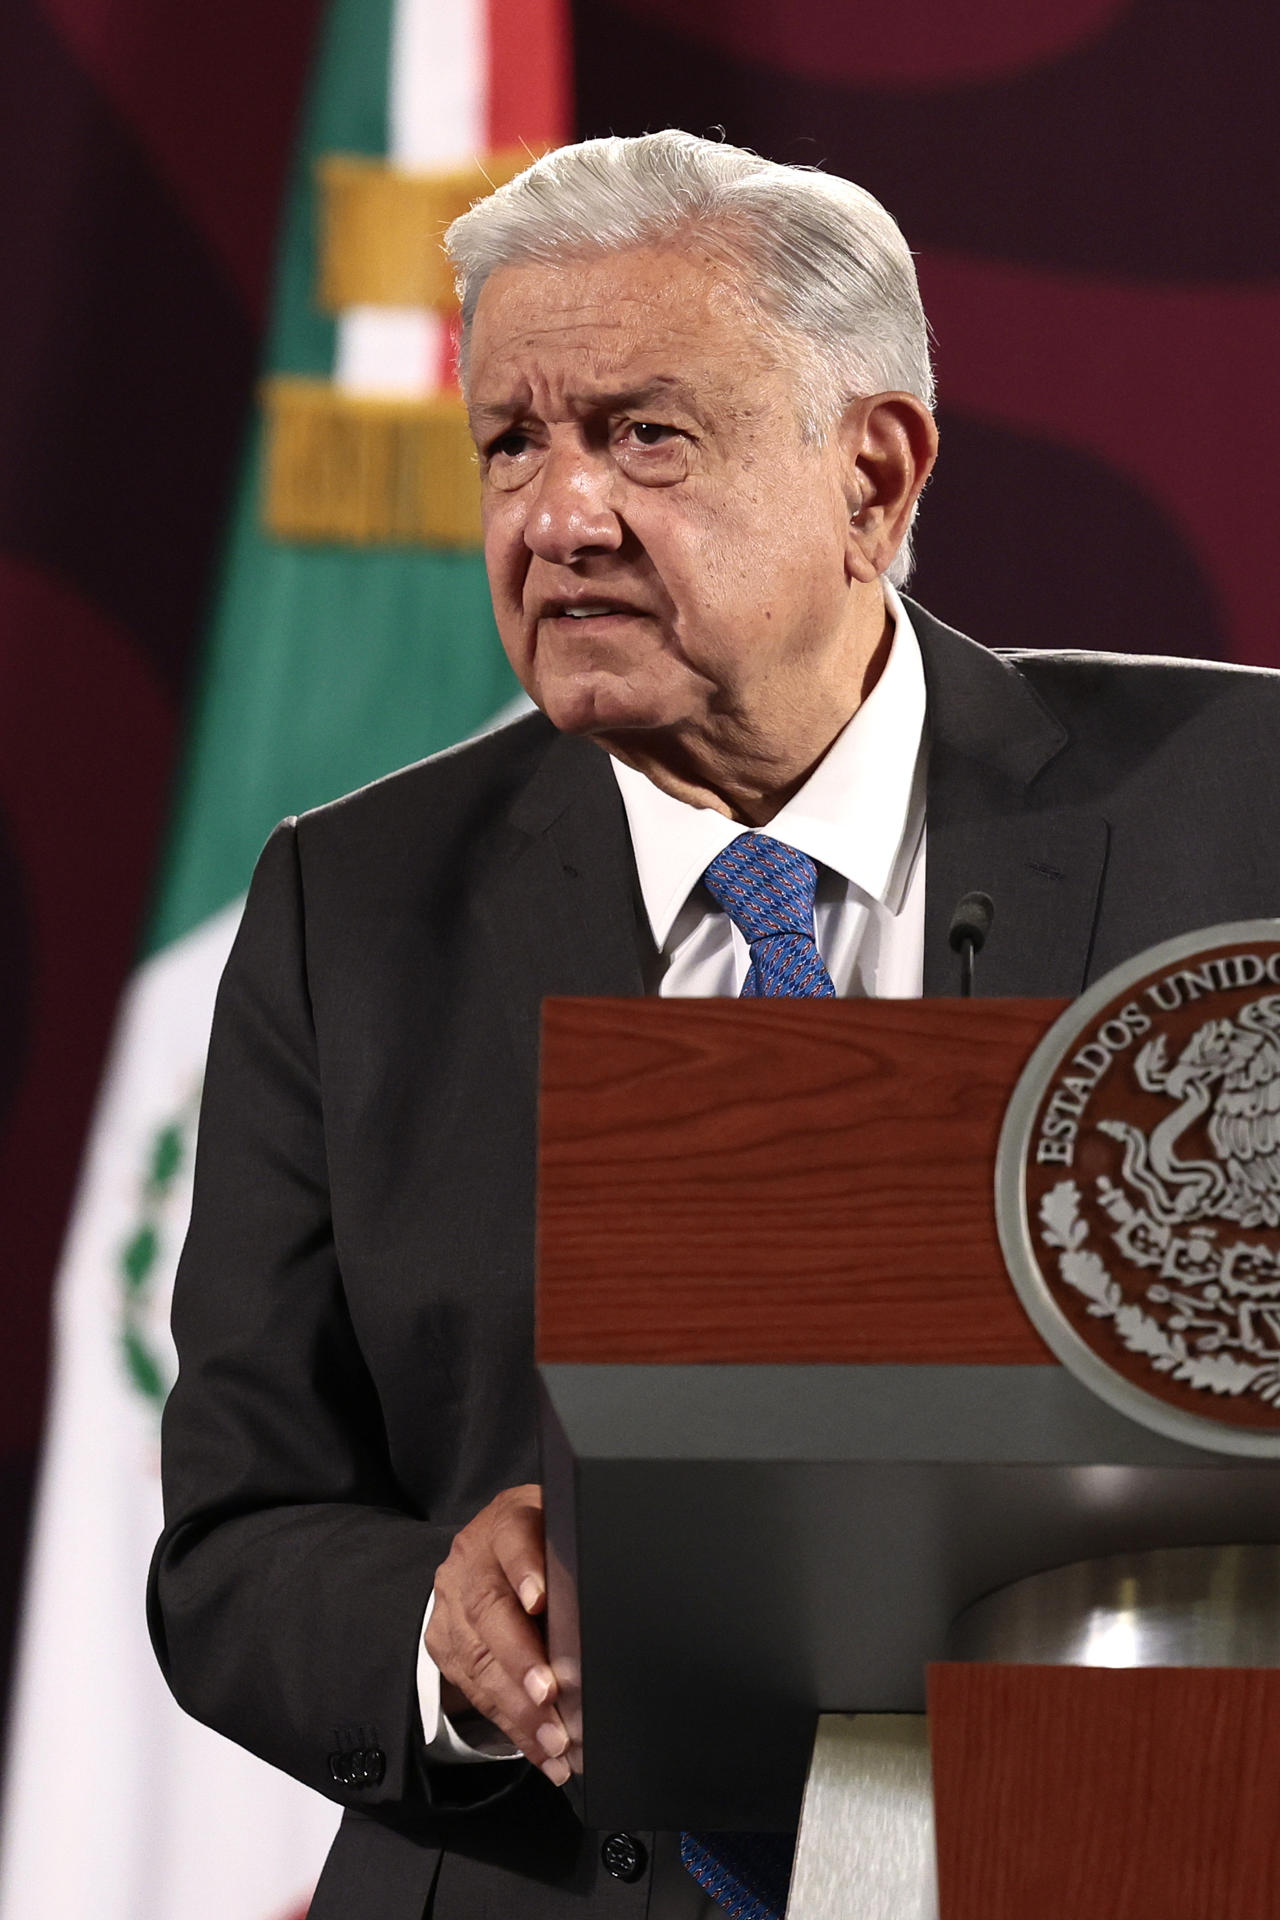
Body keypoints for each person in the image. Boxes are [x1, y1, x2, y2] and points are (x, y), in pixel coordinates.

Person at [148, 130, 1280, 1920]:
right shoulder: (345, 913)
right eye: (512, 443)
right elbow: (233, 1536)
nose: (557, 514)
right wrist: (442, 1636)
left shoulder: (1244, 815)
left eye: (641, 433)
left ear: (876, 477)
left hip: (1140, 1848)